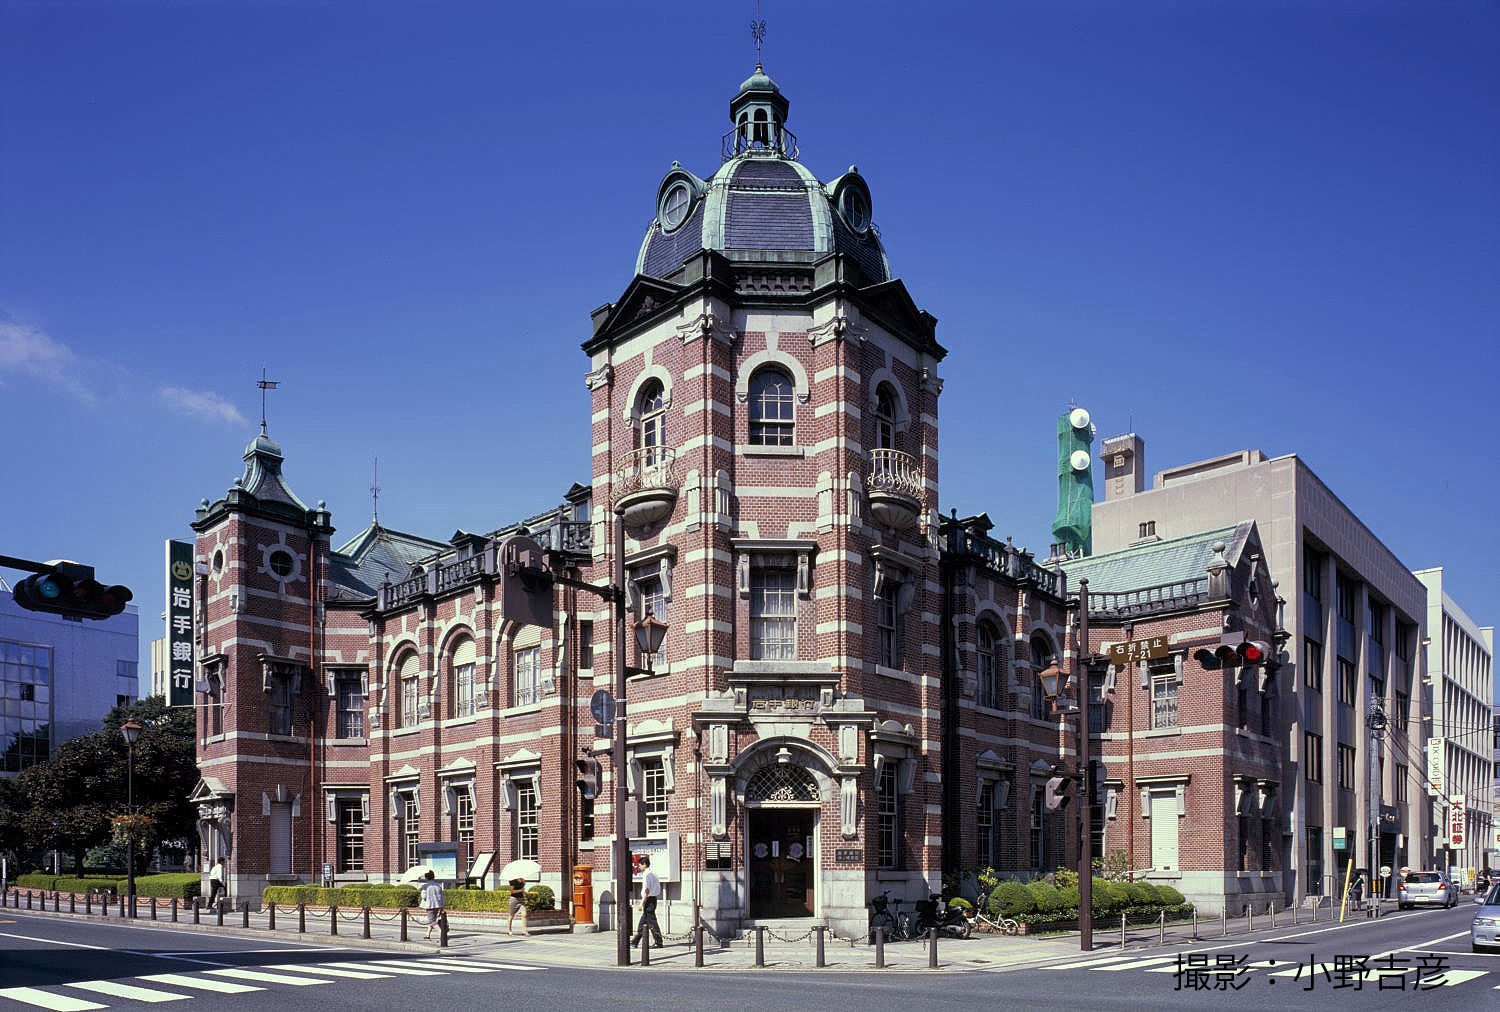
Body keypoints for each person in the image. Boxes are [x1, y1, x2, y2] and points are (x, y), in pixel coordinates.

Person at [629, 855, 663, 949]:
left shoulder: (647, 875)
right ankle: (635, 941)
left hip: (649, 900)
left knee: (651, 922)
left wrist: (642, 903)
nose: (639, 867)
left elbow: (647, 890)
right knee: (644, 922)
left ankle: (658, 942)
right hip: (653, 899)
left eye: (640, 865)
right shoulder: (653, 873)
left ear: (644, 864)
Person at [421, 870, 445, 941]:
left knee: (432, 921)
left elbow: (423, 896)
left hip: (429, 905)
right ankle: (427, 934)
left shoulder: (425, 886)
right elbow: (441, 896)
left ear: (426, 878)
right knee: (433, 919)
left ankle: (442, 934)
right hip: (437, 905)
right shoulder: (438, 885)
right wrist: (442, 906)